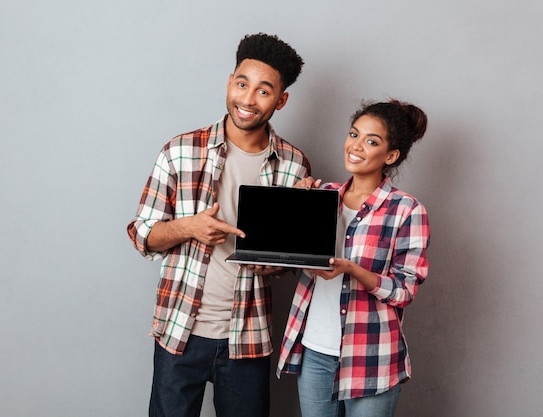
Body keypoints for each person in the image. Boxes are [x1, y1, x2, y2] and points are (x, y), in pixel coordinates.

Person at [126, 33, 310, 417]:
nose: (247, 99)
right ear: (230, 81)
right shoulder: (180, 150)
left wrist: (275, 262)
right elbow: (142, 234)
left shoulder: (294, 165)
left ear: (281, 100)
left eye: (263, 91)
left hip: (247, 336)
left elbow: (286, 260)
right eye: (242, 84)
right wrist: (188, 227)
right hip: (180, 330)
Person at [277, 99, 430, 417]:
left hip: (371, 357)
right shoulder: (322, 196)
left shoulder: (406, 210)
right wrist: (296, 207)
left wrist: (352, 270)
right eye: (354, 134)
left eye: (371, 141)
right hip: (315, 350)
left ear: (390, 156)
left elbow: (404, 291)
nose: (356, 146)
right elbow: (289, 260)